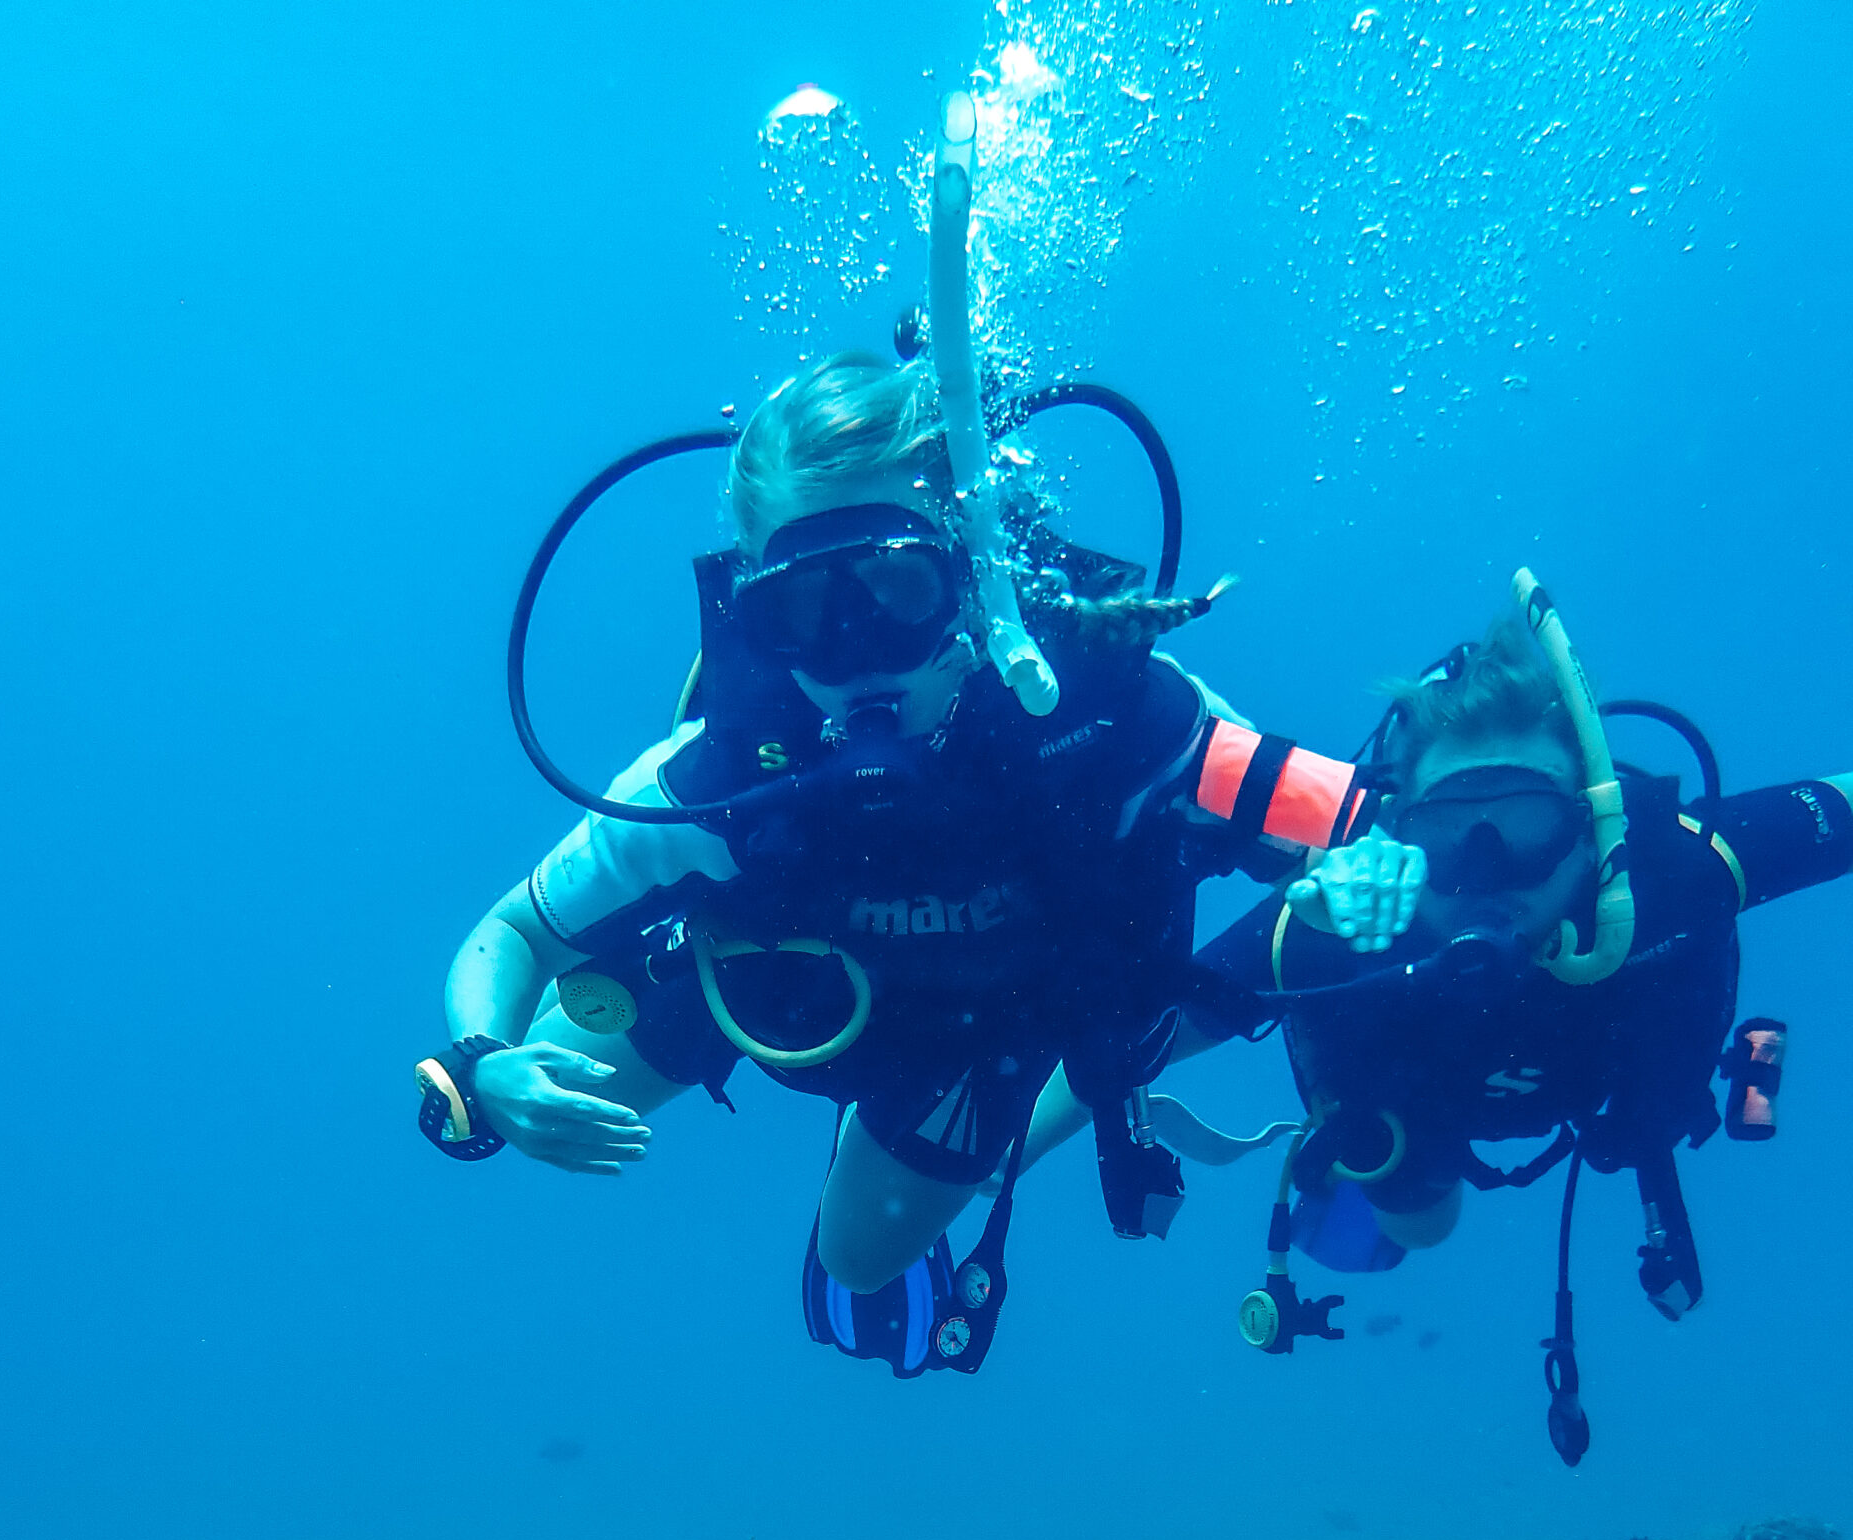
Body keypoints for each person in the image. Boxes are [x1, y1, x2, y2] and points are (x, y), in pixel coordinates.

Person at [416, 101, 1422, 1377]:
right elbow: (509, 936)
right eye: (803, 617)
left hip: (978, 1040)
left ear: (975, 576)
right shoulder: (715, 779)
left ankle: (1017, 1129)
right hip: (771, 983)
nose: (857, 659)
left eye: (894, 595)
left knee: (857, 1264)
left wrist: (1402, 872)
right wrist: (485, 1061)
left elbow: (1352, 818)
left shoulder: (1124, 723)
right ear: (754, 619)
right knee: (538, 1106)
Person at [1162, 574, 1852, 1454]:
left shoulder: (1671, 869)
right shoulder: (1340, 923)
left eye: (1526, 825)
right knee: (1417, 1223)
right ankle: (1382, 1158)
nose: (1490, 871)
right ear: (1403, 834)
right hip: (1417, 1112)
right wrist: (980, 1161)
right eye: (1452, 836)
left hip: (1619, 1091)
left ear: (1593, 823)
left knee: (1422, 1217)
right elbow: (1127, 1047)